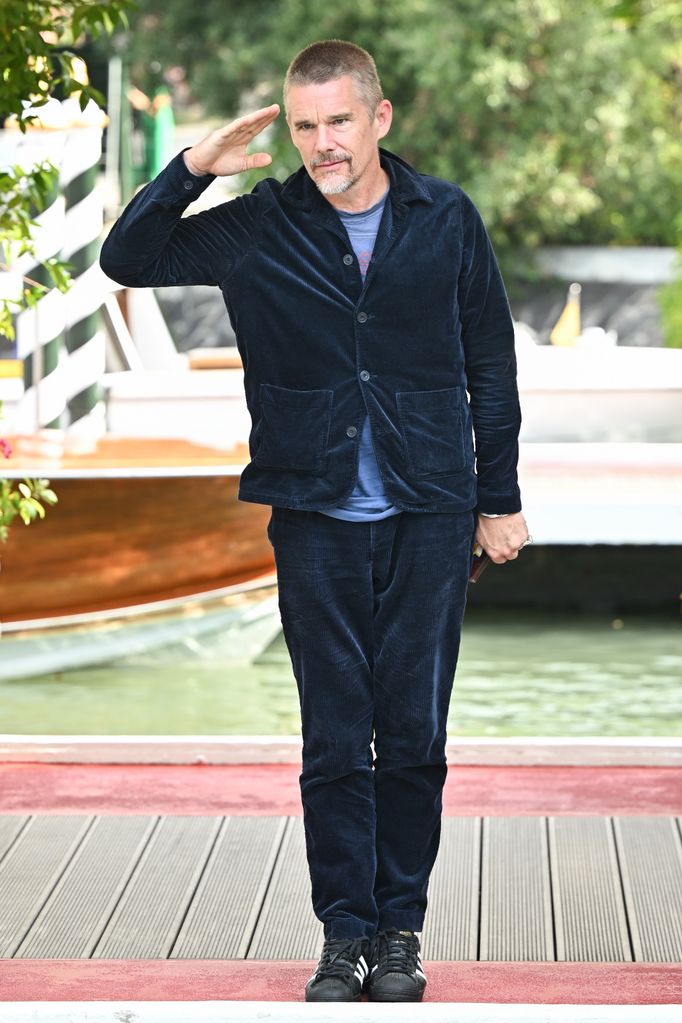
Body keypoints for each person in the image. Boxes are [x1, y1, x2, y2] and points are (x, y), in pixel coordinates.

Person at [100, 39, 530, 1003]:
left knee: (413, 731)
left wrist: (497, 496)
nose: (323, 144)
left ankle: (401, 929)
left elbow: (491, 367)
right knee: (336, 735)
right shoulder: (258, 226)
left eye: (339, 121)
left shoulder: (446, 217)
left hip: (431, 509)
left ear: (379, 119)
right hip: (313, 509)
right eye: (305, 127)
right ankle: (344, 935)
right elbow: (125, 258)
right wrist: (193, 170)